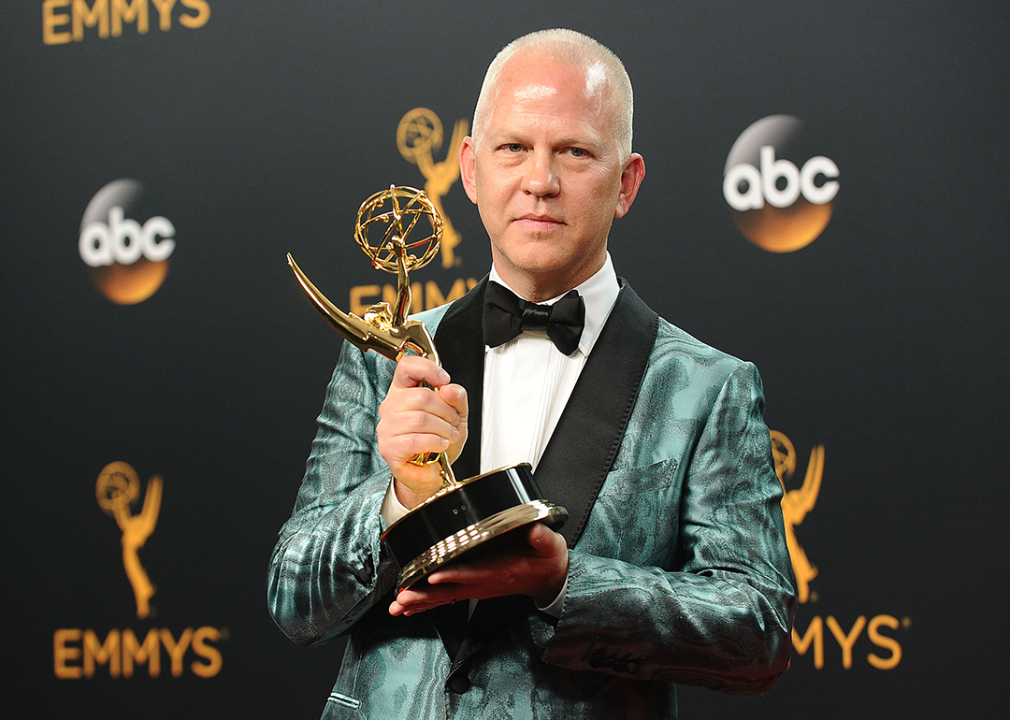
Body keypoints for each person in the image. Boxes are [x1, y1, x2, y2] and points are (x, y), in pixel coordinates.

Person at [268, 28, 795, 720]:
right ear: (470, 169)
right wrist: (397, 497)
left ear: (626, 183)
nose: (539, 182)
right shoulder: (387, 359)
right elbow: (292, 600)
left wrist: (564, 583)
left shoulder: (707, 386)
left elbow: (757, 635)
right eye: (513, 148)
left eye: (574, 152)